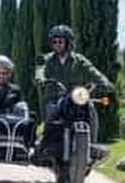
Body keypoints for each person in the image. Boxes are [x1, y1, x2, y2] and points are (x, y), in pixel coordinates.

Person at [38, 25, 113, 160]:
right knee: (51, 112)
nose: (57, 44)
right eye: (54, 42)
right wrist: (42, 79)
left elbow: (93, 71)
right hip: (55, 96)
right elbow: (40, 70)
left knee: (90, 108)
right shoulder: (47, 59)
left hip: (76, 96)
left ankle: (92, 144)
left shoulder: (79, 60)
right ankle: (45, 145)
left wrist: (105, 83)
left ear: (68, 42)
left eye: (60, 41)